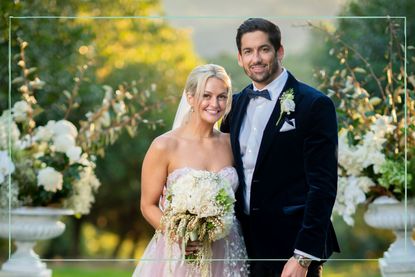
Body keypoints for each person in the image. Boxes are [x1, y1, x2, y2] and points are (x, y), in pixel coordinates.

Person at [220, 18, 340, 277]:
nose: (257, 59)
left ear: (279, 52)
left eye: (264, 49)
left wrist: (304, 256)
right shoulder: (234, 105)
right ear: (240, 58)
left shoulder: (314, 105)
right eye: (248, 52)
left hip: (292, 249)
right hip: (242, 246)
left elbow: (323, 186)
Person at [133, 64, 249, 276]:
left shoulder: (231, 144)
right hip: (180, 251)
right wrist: (179, 236)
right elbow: (147, 205)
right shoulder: (164, 146)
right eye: (206, 95)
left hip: (227, 251)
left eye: (222, 97)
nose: (215, 104)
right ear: (190, 97)